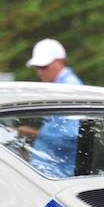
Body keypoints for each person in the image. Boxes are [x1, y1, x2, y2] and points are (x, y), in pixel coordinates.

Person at [27, 38, 83, 176]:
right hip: (52, 172)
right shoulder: (60, 87)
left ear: (60, 62)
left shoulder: (70, 88)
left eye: (44, 67)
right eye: (37, 67)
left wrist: (35, 134)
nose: (40, 72)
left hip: (60, 174)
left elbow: (73, 135)